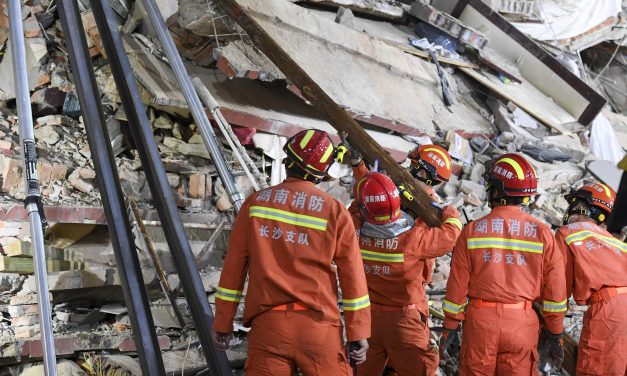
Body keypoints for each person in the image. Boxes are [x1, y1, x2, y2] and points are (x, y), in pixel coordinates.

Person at [212, 129, 371, 375]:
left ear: (287, 161)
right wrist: (358, 330)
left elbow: (233, 269)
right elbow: (353, 277)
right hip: (319, 329)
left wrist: (223, 322)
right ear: (322, 172)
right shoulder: (335, 211)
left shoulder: (255, 205)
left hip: (268, 328)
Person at [440, 153, 567, 375]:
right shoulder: (542, 233)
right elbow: (555, 289)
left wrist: (450, 326)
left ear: (496, 191)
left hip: (480, 323)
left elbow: (457, 286)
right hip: (522, 323)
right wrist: (555, 333)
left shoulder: (471, 231)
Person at [347, 171, 462, 376]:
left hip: (367, 319)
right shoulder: (412, 239)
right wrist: (448, 211)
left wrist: (364, 183)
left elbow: (357, 207)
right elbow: (452, 233)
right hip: (405, 320)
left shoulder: (353, 233)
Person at [555, 182, 627, 376]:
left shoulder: (568, 234)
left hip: (610, 312)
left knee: (596, 369)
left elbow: (557, 292)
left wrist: (552, 331)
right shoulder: (617, 244)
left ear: (582, 208)